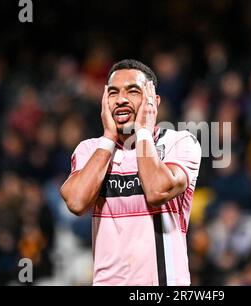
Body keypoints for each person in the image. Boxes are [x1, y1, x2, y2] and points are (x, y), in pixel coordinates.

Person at [60, 59, 202, 285]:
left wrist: (143, 132)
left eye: (133, 91)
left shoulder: (180, 143)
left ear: (153, 102)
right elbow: (76, 202)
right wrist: (108, 138)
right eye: (113, 93)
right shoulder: (90, 149)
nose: (122, 99)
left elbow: (156, 191)